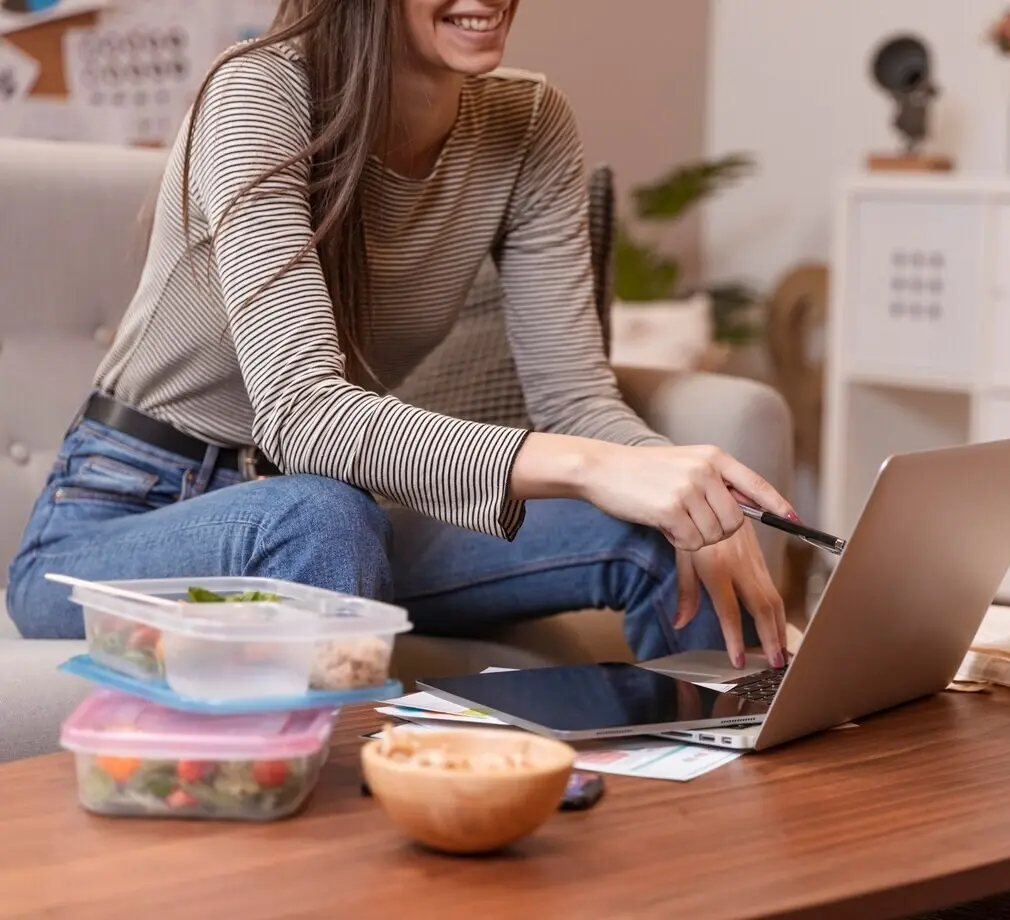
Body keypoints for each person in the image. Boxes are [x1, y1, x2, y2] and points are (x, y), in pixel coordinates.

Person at [5, 0, 796, 670]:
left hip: (330, 519)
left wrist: (679, 493)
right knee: (319, 516)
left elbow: (576, 399)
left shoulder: (529, 123)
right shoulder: (256, 92)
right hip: (121, 524)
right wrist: (595, 468)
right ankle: (359, 845)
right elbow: (303, 415)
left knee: (659, 538)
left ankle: (711, 810)